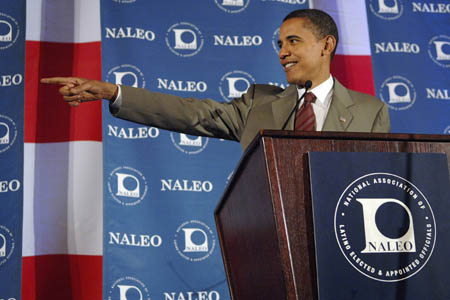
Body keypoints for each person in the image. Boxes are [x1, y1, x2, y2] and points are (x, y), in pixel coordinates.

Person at [41, 9, 390, 150]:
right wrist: (113, 92)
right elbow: (192, 113)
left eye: (293, 42)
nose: (282, 52)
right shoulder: (260, 103)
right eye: (279, 44)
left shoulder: (369, 111)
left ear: (326, 44)